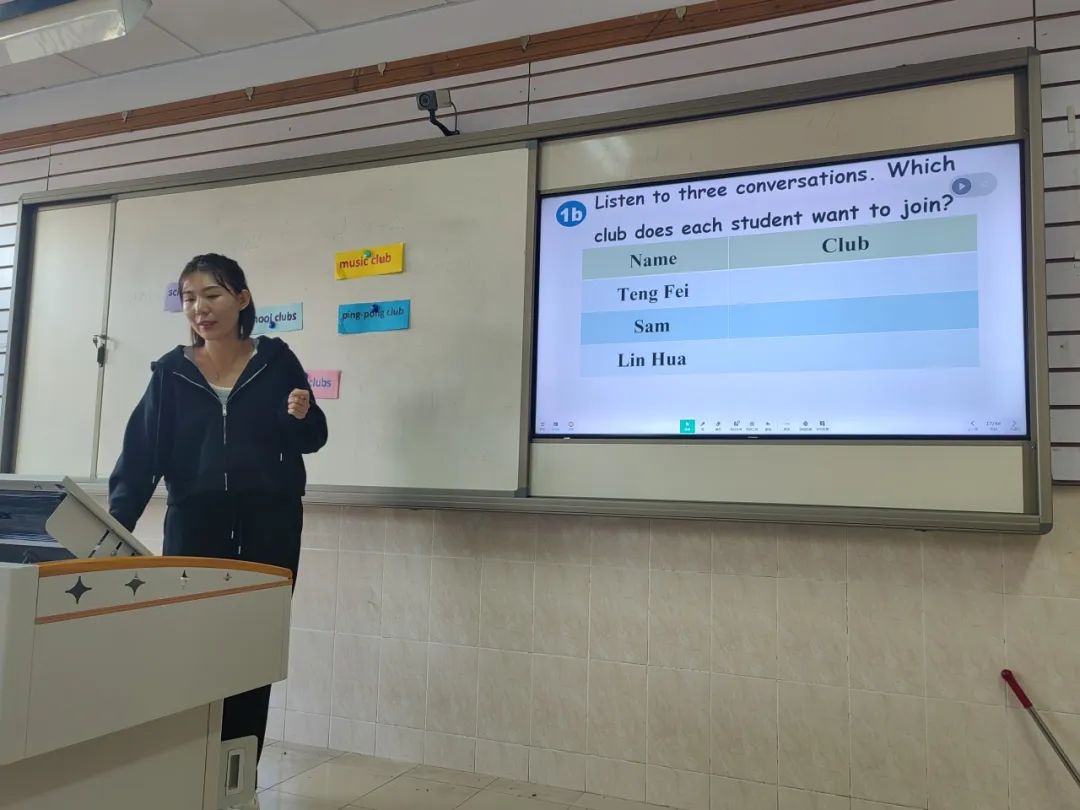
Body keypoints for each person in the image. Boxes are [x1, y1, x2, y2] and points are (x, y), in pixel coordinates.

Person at [108, 253, 328, 795]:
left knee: (251, 651)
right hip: (195, 525)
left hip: (270, 525)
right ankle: (191, 774)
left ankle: (236, 781)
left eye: (212, 295)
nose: (199, 308)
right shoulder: (171, 373)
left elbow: (312, 437)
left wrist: (304, 415)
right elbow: (141, 457)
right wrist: (113, 529)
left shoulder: (276, 362)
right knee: (191, 649)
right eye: (189, 298)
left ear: (242, 299)